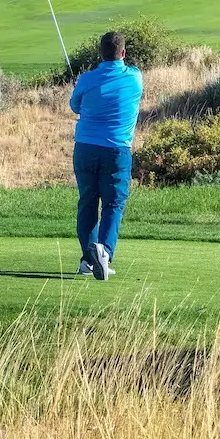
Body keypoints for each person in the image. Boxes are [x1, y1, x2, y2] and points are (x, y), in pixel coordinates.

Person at [68, 29, 143, 281]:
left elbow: (74, 106)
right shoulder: (134, 78)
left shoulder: (86, 79)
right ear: (123, 53)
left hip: (85, 148)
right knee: (113, 203)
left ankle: (88, 260)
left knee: (88, 201)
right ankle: (104, 252)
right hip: (117, 150)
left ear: (99, 53)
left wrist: (87, 85)